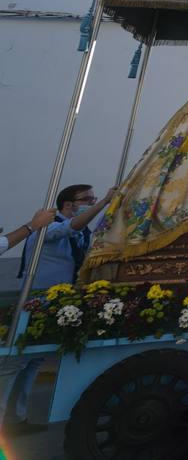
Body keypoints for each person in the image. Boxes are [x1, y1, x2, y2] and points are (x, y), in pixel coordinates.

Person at [6, 185, 112, 433]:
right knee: (16, 362)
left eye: (93, 198)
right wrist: (104, 202)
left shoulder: (82, 233)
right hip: (36, 300)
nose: (91, 202)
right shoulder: (48, 226)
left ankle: (15, 418)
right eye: (87, 199)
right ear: (68, 204)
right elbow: (69, 227)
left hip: (59, 301)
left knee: (35, 360)